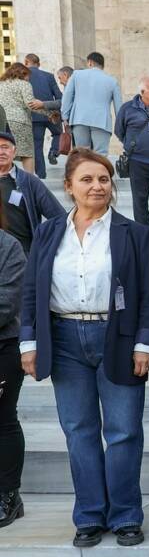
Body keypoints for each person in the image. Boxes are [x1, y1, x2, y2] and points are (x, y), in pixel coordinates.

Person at [19, 148, 149, 548]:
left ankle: (127, 515)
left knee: (124, 431)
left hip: (117, 336)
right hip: (63, 339)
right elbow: (31, 290)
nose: (97, 186)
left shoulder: (132, 233)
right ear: (68, 187)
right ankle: (90, 516)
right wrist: (29, 342)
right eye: (87, 179)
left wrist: (144, 343)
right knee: (79, 430)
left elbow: (147, 294)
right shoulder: (48, 232)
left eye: (104, 179)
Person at [114, 77, 149, 226]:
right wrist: (135, 144)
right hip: (138, 163)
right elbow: (119, 131)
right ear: (143, 92)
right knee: (140, 202)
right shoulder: (127, 109)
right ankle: (144, 233)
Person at [0, 129, 66, 255]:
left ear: (14, 153)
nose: (1, 152)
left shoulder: (29, 182)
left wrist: (44, 245)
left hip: (21, 255)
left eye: (5, 147)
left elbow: (59, 216)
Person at [0, 211, 26, 528]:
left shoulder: (9, 247)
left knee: (3, 420)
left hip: (3, 346)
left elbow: (6, 302)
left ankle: (8, 494)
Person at [60, 52, 122, 153]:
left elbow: (67, 96)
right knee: (100, 154)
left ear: (89, 62)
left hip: (79, 119)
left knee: (82, 153)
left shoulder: (76, 75)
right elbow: (118, 107)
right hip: (101, 121)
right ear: (102, 65)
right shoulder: (112, 81)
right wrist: (121, 126)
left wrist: (65, 116)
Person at [24, 54, 62, 178]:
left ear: (26, 62)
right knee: (58, 134)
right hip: (51, 114)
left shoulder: (24, 78)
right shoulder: (49, 76)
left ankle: (41, 175)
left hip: (34, 116)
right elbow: (59, 97)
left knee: (37, 146)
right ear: (38, 64)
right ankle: (53, 152)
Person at [0, 63, 40, 173]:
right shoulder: (24, 84)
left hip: (2, 122)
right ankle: (29, 182)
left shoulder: (1, 84)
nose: (29, 79)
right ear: (23, 73)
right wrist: (49, 113)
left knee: (3, 151)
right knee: (27, 153)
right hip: (20, 122)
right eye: (28, 76)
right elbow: (31, 104)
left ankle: (4, 180)